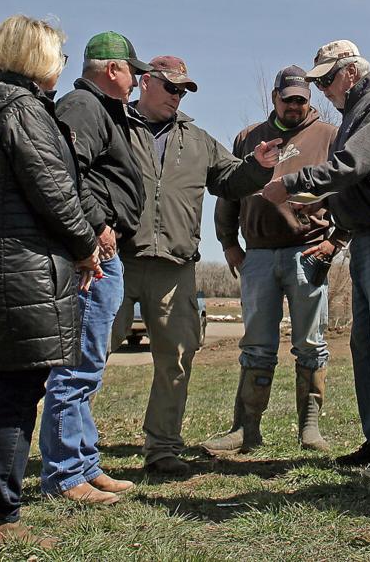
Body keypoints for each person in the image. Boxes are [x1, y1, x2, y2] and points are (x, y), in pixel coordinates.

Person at [0, 15, 99, 550]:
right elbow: (54, 193)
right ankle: (2, 518)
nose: (61, 65)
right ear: (36, 59)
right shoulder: (23, 111)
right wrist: (86, 247)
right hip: (25, 274)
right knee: (15, 396)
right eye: (56, 55)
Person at [262, 41, 370, 481]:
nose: (321, 90)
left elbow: (351, 166)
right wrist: (335, 221)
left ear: (350, 72)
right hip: (367, 237)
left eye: (325, 80)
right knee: (366, 342)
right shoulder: (358, 107)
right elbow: (357, 179)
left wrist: (292, 183)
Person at [110, 55, 280, 476]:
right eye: (171, 87)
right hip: (117, 263)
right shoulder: (113, 127)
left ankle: (163, 448)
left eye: (183, 90)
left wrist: (257, 167)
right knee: (88, 358)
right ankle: (72, 454)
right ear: (145, 82)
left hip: (175, 267)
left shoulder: (197, 139)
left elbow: (229, 180)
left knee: (177, 359)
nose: (178, 96)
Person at [39, 31, 151, 504]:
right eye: (133, 71)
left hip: (104, 253)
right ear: (112, 70)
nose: (138, 82)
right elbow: (65, 172)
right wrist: (97, 224)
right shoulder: (84, 108)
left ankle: (84, 464)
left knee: (89, 363)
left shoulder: (100, 110)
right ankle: (65, 474)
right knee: (76, 365)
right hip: (91, 256)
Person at [209, 66, 341, 454]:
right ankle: (245, 428)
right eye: (289, 100)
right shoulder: (248, 137)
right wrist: (228, 243)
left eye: (302, 100)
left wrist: (336, 241)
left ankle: (310, 427)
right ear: (275, 98)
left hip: (308, 252)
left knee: (311, 345)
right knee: (256, 346)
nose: (295, 107)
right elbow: (228, 192)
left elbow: (344, 192)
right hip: (259, 255)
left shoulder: (329, 136)